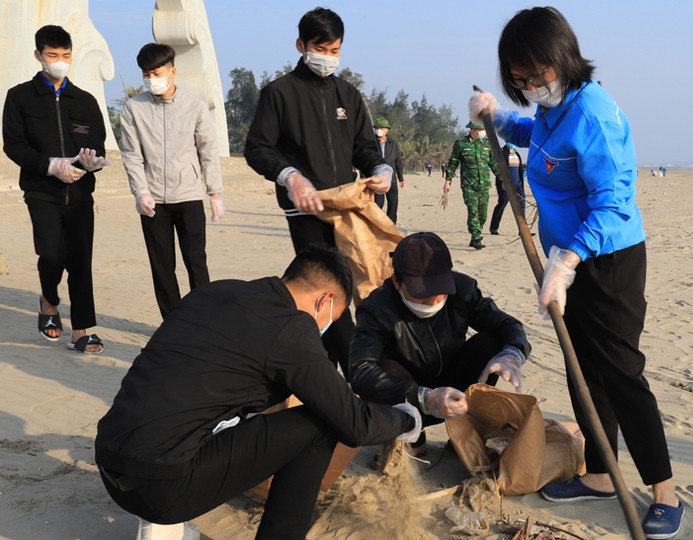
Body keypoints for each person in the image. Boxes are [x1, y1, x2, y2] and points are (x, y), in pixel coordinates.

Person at [469, 7, 683, 539]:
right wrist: (499, 118)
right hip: (570, 259)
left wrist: (566, 262)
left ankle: (665, 492)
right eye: (519, 79)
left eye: (537, 73)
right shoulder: (553, 108)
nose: (531, 86)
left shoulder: (594, 114)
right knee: (581, 368)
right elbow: (540, 140)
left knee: (621, 373)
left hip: (607, 261)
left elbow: (613, 204)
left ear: (563, 57)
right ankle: (601, 476)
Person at [95, 245, 420, 540]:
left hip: (111, 463)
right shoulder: (290, 328)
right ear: (324, 301)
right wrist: (406, 419)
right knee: (320, 427)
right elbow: (355, 423)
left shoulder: (212, 292)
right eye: (330, 320)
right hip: (159, 491)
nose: (324, 329)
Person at [244, 7, 393, 374]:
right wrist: (290, 176)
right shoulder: (279, 93)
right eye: (320, 48)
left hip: (349, 209)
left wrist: (381, 168)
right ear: (301, 45)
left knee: (364, 284)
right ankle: (359, 376)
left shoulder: (348, 95)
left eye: (334, 50)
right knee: (328, 292)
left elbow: (364, 147)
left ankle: (330, 372)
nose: (327, 57)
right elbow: (257, 148)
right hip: (306, 210)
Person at [348, 232, 531, 456]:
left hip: (456, 389)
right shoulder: (376, 309)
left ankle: (465, 434)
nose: (434, 299)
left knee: (489, 342)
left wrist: (513, 353)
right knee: (383, 369)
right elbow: (360, 370)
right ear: (397, 282)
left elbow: (507, 325)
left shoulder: (463, 289)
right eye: (422, 294)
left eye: (440, 290)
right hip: (410, 395)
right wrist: (424, 397)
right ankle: (413, 437)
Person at [2, 25, 110, 354]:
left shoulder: (85, 101)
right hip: (42, 191)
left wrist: (89, 163)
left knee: (80, 260)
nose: (60, 61)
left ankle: (81, 330)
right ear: (39, 55)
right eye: (52, 55)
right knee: (51, 254)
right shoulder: (19, 97)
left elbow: (97, 143)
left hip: (80, 194)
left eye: (65, 55)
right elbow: (14, 145)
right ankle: (49, 301)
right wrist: (50, 166)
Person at [120, 43, 225, 319]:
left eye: (156, 73)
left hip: (189, 196)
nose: (151, 79)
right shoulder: (133, 109)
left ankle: (204, 319)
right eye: (146, 74)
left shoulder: (195, 107)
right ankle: (173, 321)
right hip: (153, 201)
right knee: (162, 266)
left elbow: (208, 153)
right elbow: (131, 155)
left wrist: (215, 193)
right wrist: (140, 192)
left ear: (172, 72)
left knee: (195, 261)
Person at [443, 122, 501, 250]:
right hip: (468, 185)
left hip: (484, 185)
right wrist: (448, 181)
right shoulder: (461, 143)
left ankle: (475, 236)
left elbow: (494, 164)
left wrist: (503, 180)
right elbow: (453, 163)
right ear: (473, 130)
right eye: (480, 129)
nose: (482, 132)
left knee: (483, 214)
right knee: (473, 211)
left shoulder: (487, 144)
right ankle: (476, 237)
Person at [372, 117, 405, 223]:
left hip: (391, 179)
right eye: (377, 128)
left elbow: (398, 161)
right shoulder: (371, 143)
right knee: (378, 204)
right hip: (376, 179)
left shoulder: (393, 144)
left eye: (382, 128)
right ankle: (377, 225)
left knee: (393, 204)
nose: (379, 130)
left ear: (387, 129)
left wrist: (401, 178)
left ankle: (390, 226)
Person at [489, 142, 525, 235]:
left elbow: (520, 169)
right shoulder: (502, 153)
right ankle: (494, 227)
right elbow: (499, 169)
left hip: (518, 185)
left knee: (522, 206)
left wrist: (523, 177)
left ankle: (523, 230)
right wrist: (502, 181)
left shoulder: (517, 153)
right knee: (502, 203)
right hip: (506, 185)